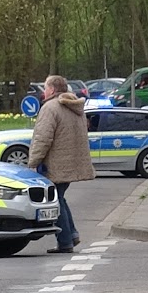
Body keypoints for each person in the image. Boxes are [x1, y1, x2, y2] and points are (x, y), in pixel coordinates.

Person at [27, 74, 94, 254]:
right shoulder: (75, 107)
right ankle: (71, 235)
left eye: (46, 87)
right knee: (60, 199)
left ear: (53, 89)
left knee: (55, 201)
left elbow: (43, 138)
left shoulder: (50, 108)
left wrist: (33, 161)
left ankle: (65, 241)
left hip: (54, 163)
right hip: (71, 162)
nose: (44, 90)